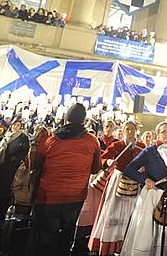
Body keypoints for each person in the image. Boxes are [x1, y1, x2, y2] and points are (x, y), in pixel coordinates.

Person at [28, 103, 101, 256]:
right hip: (76, 196)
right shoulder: (92, 141)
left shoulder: (50, 139)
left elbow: (34, 164)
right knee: (66, 236)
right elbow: (95, 169)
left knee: (46, 238)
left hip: (49, 196)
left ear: (66, 118)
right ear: (83, 120)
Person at [120, 121, 167, 256]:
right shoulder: (149, 151)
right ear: (157, 134)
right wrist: (145, 179)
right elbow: (129, 169)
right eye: (163, 131)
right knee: (147, 232)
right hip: (151, 195)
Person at [88, 121, 145, 255]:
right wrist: (108, 161)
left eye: (132, 129)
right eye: (127, 129)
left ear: (136, 130)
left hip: (134, 183)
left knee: (131, 212)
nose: (130, 131)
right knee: (113, 211)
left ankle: (126, 244)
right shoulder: (117, 145)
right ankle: (110, 244)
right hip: (117, 182)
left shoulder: (142, 147)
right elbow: (102, 159)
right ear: (123, 130)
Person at [0, 118, 29, 221]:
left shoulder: (23, 137)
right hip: (1, 167)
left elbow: (24, 151)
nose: (15, 127)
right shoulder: (7, 136)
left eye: (18, 125)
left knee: (5, 192)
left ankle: (0, 214)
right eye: (14, 125)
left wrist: (15, 159)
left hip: (10, 169)